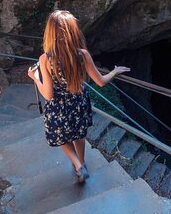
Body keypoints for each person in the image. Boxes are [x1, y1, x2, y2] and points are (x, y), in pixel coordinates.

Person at [28, 10, 130, 183]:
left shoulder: (46, 59)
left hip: (58, 106)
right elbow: (101, 81)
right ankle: (82, 162)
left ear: (50, 32)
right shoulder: (82, 55)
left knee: (61, 136)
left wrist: (35, 78)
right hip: (78, 102)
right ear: (72, 30)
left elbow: (48, 94)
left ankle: (77, 165)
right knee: (78, 135)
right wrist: (114, 71)